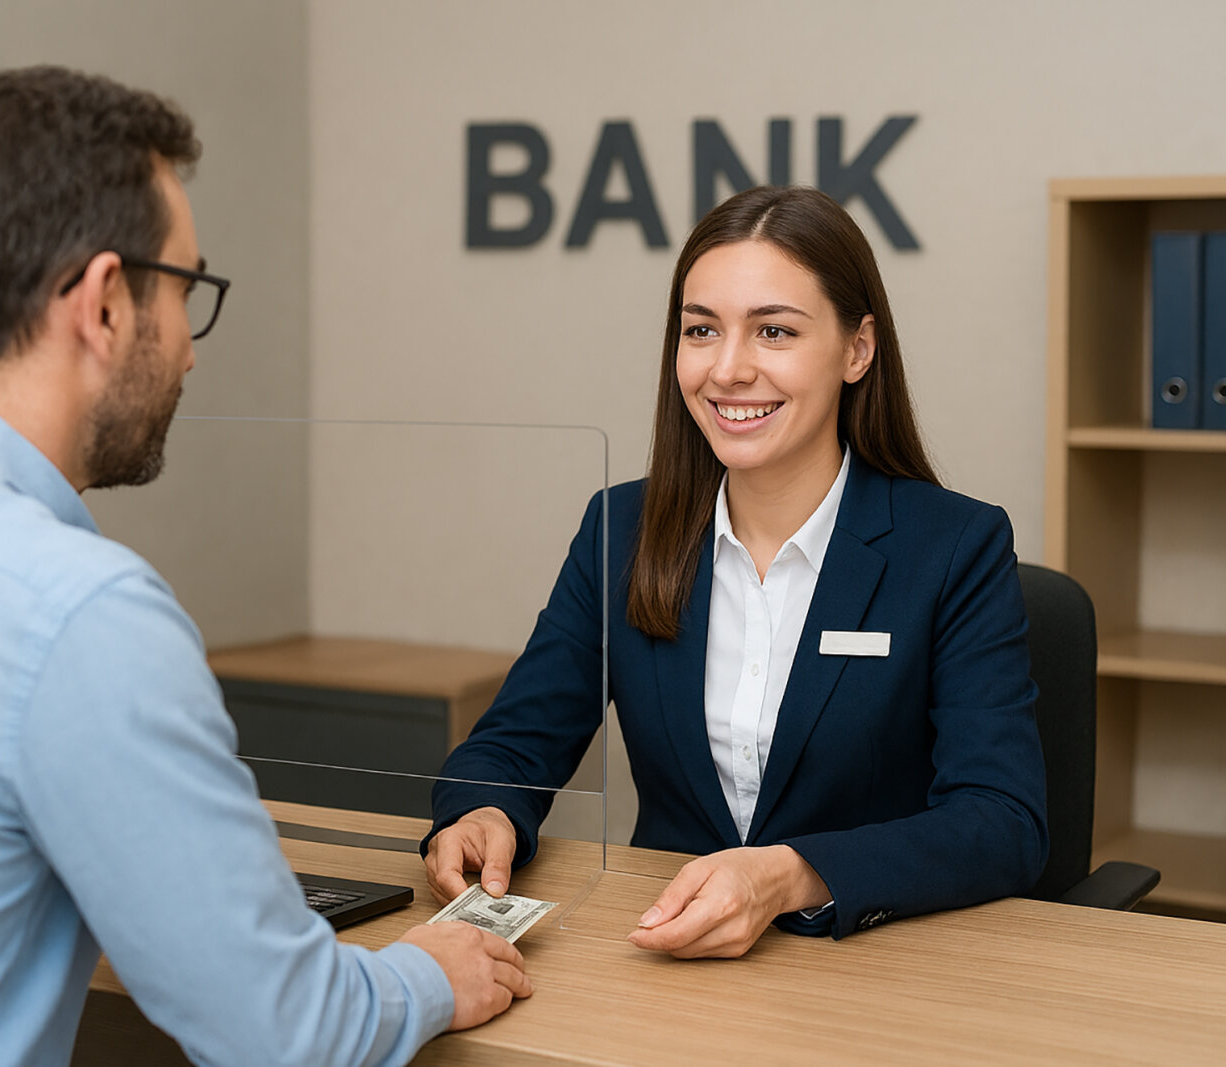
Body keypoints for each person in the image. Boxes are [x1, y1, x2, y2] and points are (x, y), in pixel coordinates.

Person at [0, 66, 528, 1066]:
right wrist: (434, 967)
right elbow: (285, 1033)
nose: (190, 352)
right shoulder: (76, 611)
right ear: (103, 302)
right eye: (184, 289)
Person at [424, 185, 1049, 958]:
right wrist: (482, 812)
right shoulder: (622, 530)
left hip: (870, 969)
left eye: (774, 331)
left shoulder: (956, 546)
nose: (727, 369)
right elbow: (514, 744)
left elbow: (1002, 819)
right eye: (701, 330)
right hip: (668, 955)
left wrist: (791, 875)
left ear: (858, 349)